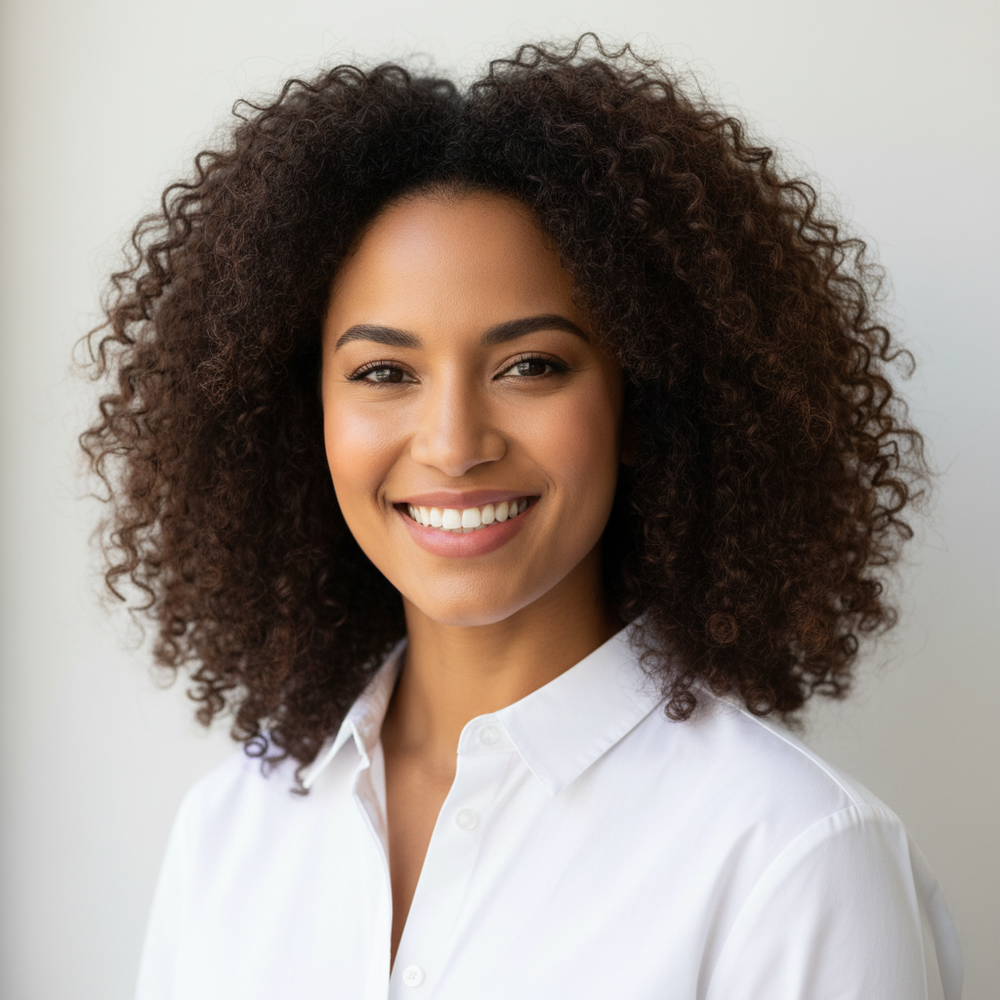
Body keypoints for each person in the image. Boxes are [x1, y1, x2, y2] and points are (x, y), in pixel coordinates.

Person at [81, 35, 962, 1000]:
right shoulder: (229, 831)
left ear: (642, 402)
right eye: (385, 373)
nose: (454, 444)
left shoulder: (793, 859)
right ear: (308, 418)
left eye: (531, 365)